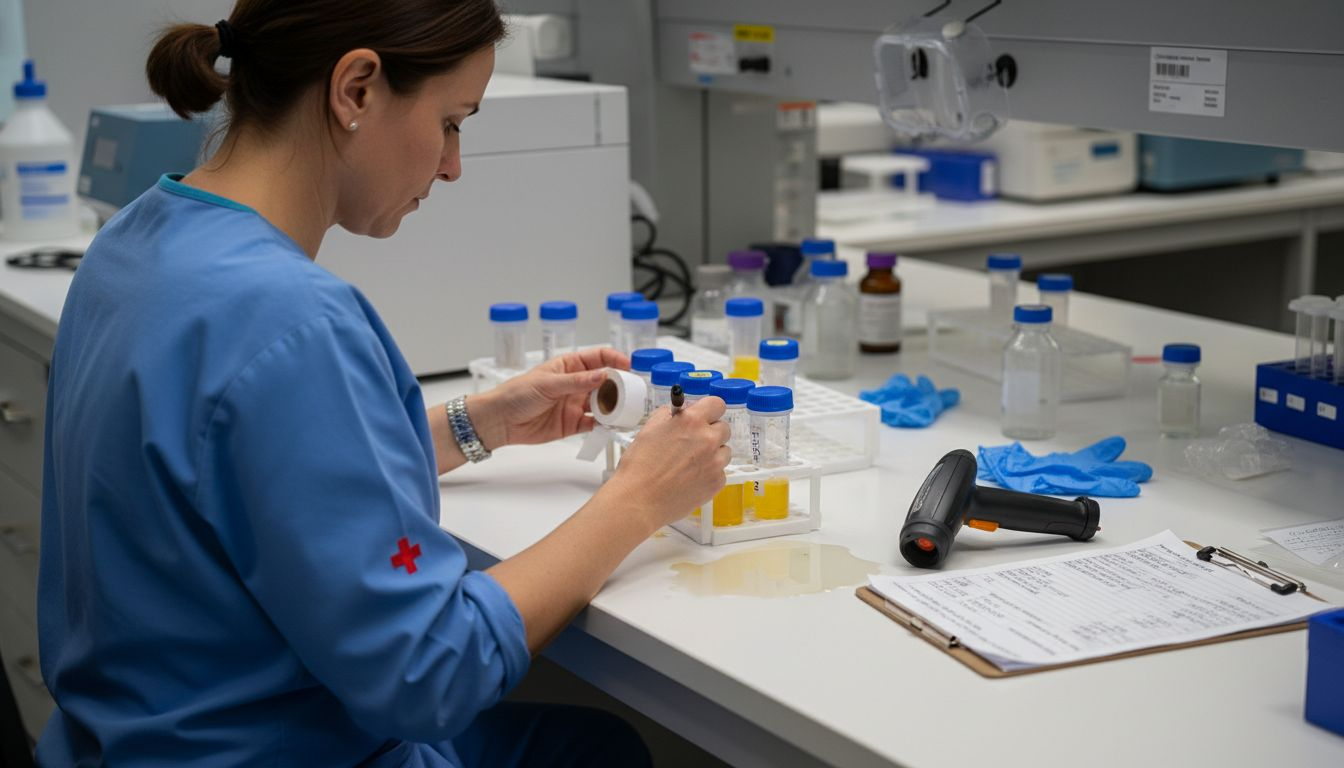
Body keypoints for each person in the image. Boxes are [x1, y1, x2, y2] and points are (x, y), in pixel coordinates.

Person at [35, 1, 731, 765]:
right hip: (264, 752)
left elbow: (229, 470)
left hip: (127, 740)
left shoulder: (136, 238)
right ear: (357, 89)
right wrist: (637, 498)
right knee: (603, 750)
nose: (452, 164)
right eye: (453, 120)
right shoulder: (292, 320)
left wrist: (478, 423)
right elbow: (432, 670)